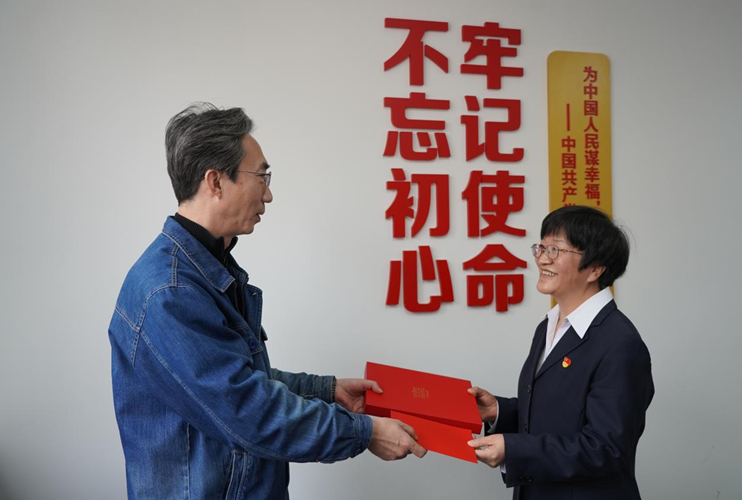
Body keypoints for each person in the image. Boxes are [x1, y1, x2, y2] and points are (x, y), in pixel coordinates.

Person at [108, 102, 426, 499]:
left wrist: (324, 390)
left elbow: (233, 378)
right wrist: (364, 432)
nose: (269, 194)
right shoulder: (171, 293)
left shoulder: (202, 270)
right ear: (216, 182)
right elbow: (247, 410)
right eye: (261, 176)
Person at [467, 206, 654, 499]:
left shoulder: (621, 344)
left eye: (556, 250)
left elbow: (606, 449)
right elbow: (559, 413)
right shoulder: (549, 325)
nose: (542, 258)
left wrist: (514, 450)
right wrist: (498, 411)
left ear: (596, 268)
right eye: (541, 247)